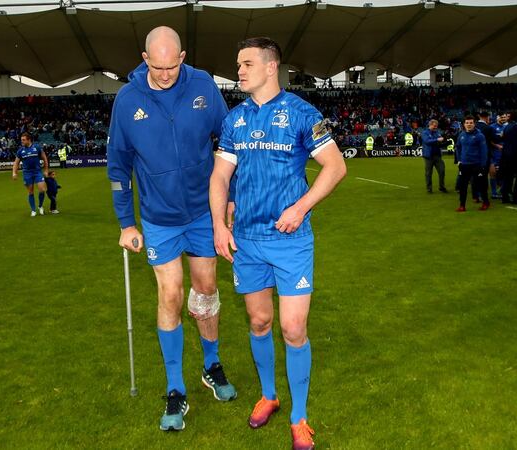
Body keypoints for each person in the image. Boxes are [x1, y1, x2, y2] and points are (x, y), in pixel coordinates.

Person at [209, 37, 346, 450]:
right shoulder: (234, 120)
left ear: (271, 67)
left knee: (292, 327)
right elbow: (219, 177)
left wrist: (301, 207)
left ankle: (299, 416)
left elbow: (335, 166)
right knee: (259, 322)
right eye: (238, 64)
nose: (239, 70)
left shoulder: (303, 113)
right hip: (247, 240)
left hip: (290, 241)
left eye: (246, 63)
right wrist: (219, 223)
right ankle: (269, 395)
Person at [106, 26, 237, 433]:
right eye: (157, 66)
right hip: (159, 219)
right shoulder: (127, 101)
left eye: (172, 65)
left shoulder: (202, 85)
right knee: (171, 294)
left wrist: (230, 196)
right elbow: (117, 166)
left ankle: (211, 366)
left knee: (206, 291)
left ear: (183, 57)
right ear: (145, 60)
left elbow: (229, 137)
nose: (165, 74)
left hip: (202, 212)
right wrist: (126, 222)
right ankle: (175, 387)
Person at [454, 115, 489, 212]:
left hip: (477, 165)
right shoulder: (461, 135)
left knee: (481, 185)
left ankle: (485, 202)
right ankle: (462, 205)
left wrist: (483, 165)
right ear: (464, 124)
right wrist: (459, 160)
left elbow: (484, 151)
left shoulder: (479, 136)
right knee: (462, 186)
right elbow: (458, 148)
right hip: (464, 165)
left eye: (471, 123)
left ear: (474, 124)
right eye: (467, 123)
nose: (469, 125)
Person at [12, 132, 49, 217]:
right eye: (21, 140)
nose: (22, 141)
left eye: (23, 140)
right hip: (27, 173)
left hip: (37, 172)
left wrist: (46, 170)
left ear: (29, 140)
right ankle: (33, 210)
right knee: (31, 192)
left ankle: (40, 206)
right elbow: (16, 163)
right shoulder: (20, 151)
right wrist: (14, 173)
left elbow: (44, 158)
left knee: (42, 189)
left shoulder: (37, 147)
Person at [500, 110, 517, 204]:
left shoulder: (506, 126)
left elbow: (503, 138)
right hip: (516, 155)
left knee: (508, 177)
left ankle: (505, 196)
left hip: (506, 154)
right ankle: (516, 197)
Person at [421, 119, 447, 193]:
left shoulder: (437, 132)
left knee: (442, 171)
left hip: (437, 156)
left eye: (436, 126)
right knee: (428, 173)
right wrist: (437, 140)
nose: (436, 127)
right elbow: (427, 141)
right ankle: (429, 188)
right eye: (434, 126)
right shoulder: (425, 133)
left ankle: (441, 187)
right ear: (430, 125)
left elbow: (439, 142)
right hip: (428, 156)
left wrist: (445, 143)